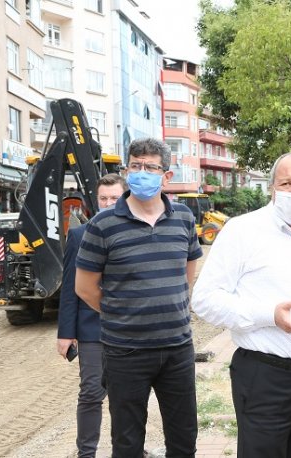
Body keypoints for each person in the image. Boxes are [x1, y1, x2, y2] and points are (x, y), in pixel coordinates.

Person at [191, 151, 291, 458]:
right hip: (264, 377)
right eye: (286, 182)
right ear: (272, 188)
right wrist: (269, 315)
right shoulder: (243, 231)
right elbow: (203, 300)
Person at [74, 138, 203, 457]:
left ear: (167, 176)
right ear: (127, 169)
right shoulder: (103, 224)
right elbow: (85, 287)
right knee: (128, 441)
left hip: (177, 348)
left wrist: (171, 306)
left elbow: (188, 270)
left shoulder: (184, 218)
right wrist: (121, 313)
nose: (141, 172)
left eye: (150, 167)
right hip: (125, 352)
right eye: (135, 165)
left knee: (184, 438)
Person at [56, 173, 126, 458]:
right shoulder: (78, 235)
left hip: (128, 330)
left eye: (115, 198)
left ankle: (128, 448)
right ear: (95, 201)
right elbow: (70, 287)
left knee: (128, 396)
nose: (108, 204)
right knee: (91, 393)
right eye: (103, 198)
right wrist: (65, 333)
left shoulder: (136, 231)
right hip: (91, 330)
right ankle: (87, 453)